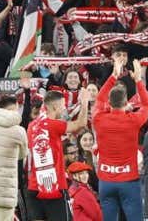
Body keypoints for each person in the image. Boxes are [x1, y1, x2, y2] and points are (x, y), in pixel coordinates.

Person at [92, 57, 148, 221]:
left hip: (105, 181)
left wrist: (113, 76)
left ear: (109, 103)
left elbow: (99, 99)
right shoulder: (133, 119)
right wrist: (138, 80)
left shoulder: (99, 118)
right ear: (126, 102)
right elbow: (147, 105)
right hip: (129, 181)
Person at [26, 89, 93, 221]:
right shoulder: (53, 125)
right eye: (63, 106)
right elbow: (81, 124)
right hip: (54, 187)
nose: (64, 110)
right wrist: (85, 102)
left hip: (34, 186)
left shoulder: (32, 125)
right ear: (55, 107)